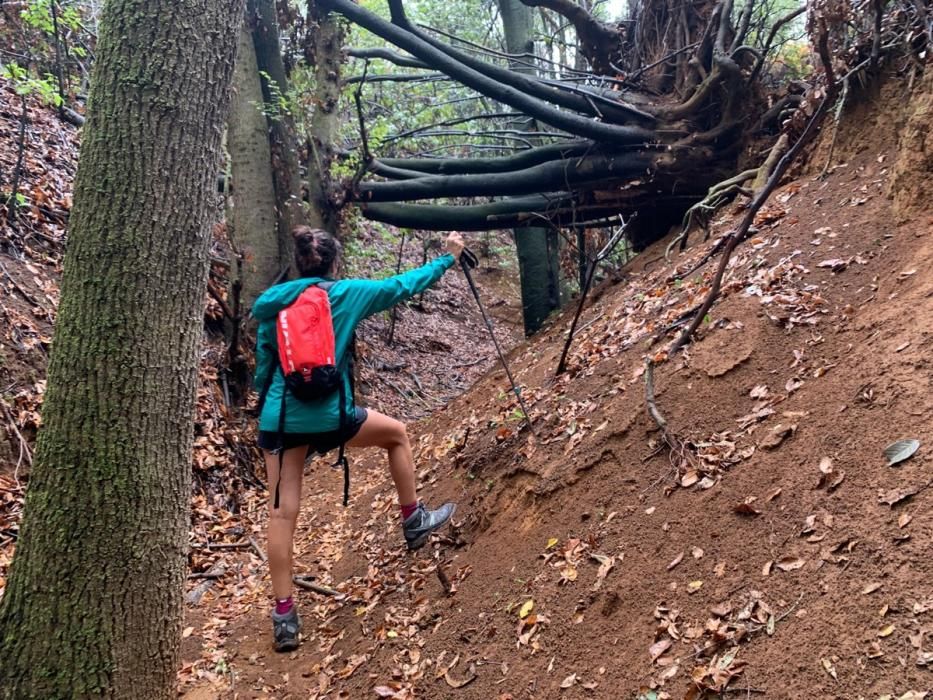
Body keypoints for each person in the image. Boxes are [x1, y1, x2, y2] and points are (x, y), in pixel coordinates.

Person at [252, 226, 464, 652]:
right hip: (332, 417)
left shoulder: (273, 305)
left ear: (297, 264)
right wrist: (448, 258)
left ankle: (285, 618)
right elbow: (402, 286)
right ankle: (413, 520)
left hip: (282, 420)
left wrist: (273, 401)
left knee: (281, 514)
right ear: (334, 263)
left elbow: (263, 366)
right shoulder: (349, 293)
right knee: (397, 435)